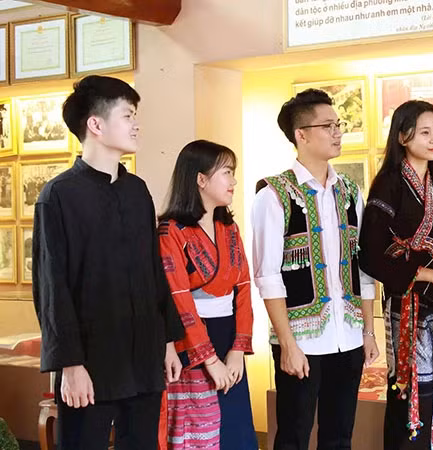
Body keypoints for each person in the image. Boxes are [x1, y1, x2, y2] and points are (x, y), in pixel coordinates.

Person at [32, 75, 184, 450]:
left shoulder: (137, 191)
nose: (136, 124)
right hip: (90, 363)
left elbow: (153, 273)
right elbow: (52, 287)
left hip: (143, 358)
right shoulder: (58, 196)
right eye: (127, 115)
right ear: (95, 125)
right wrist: (69, 366)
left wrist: (166, 342)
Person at [252, 88, 379, 450]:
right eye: (328, 125)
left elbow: (363, 268)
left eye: (338, 124)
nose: (337, 132)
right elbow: (267, 277)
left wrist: (368, 331)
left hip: (349, 336)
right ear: (301, 135)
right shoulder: (274, 195)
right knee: (293, 434)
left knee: (340, 435)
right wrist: (287, 344)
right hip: (302, 342)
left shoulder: (351, 192)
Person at [359, 100, 433, 449]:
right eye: (425, 132)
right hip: (410, 308)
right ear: (403, 136)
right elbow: (370, 254)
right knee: (414, 391)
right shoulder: (388, 183)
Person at [158, 140, 257, 449]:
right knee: (198, 433)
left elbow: (243, 289)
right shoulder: (170, 231)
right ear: (200, 179)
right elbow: (178, 298)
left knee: (237, 431)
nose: (234, 181)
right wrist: (209, 359)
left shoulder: (229, 228)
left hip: (229, 338)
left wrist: (238, 349)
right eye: (226, 172)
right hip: (191, 342)